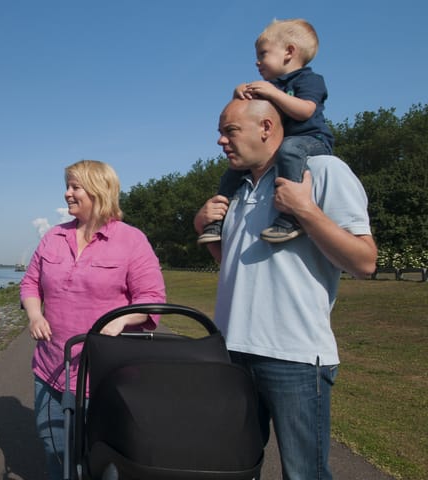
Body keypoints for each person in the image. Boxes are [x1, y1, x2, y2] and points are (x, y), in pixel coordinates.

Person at [193, 98, 377, 480]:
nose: (221, 142)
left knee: (302, 473)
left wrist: (305, 210)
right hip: (232, 352)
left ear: (265, 127)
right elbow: (235, 266)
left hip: (293, 357)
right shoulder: (238, 186)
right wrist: (204, 230)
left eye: (230, 131)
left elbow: (364, 262)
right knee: (234, 467)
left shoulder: (321, 170)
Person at [20, 159, 166, 479]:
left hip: (105, 375)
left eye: (75, 187)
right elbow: (30, 283)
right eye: (67, 186)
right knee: (55, 450)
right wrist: (33, 315)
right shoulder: (53, 237)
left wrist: (122, 320)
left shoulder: (131, 240)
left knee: (106, 460)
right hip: (50, 370)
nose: (67, 194)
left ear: (99, 190)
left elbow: (152, 299)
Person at [198, 18, 334, 245]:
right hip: (287, 144)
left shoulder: (309, 79)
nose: (257, 62)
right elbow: (250, 116)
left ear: (289, 52)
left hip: (312, 140)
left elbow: (306, 111)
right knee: (233, 171)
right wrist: (239, 93)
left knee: (289, 150)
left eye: (263, 54)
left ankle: (291, 216)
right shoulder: (274, 85)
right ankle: (218, 221)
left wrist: (273, 94)